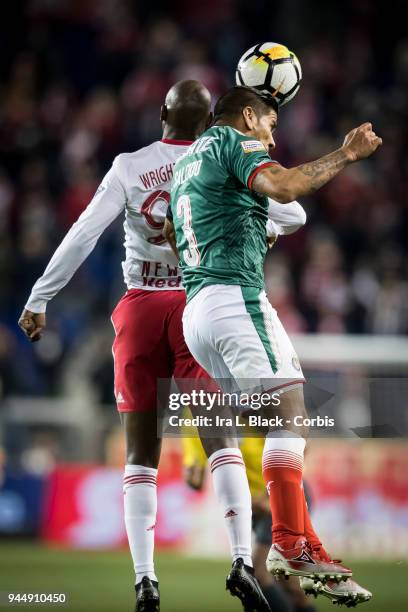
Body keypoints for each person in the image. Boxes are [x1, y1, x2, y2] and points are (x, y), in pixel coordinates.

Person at [18, 81, 270, 612]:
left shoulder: (130, 165)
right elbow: (291, 214)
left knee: (141, 456)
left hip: (140, 309)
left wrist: (41, 298)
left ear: (161, 114)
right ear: (207, 126)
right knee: (220, 440)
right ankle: (243, 561)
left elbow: (84, 233)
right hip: (199, 308)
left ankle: (145, 581)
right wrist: (261, 230)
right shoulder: (219, 160)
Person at [165, 85, 382, 587]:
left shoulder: (184, 166)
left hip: (196, 310)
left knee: (267, 417)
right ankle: (289, 544)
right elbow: (284, 188)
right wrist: (347, 154)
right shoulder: (231, 142)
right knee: (292, 417)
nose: (272, 140)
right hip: (233, 298)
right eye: (270, 127)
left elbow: (177, 235)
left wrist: (253, 227)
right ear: (248, 116)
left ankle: (305, 543)